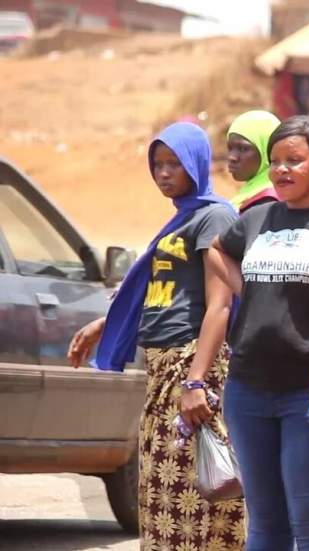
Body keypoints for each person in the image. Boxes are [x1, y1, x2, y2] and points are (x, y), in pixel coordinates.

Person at [67, 122, 243, 549]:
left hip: (190, 362)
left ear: (197, 165)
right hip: (164, 364)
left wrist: (197, 379)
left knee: (192, 485)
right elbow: (156, 289)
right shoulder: (181, 218)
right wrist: (103, 325)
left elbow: (220, 304)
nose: (164, 174)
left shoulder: (213, 216)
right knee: (161, 488)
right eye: (157, 165)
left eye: (174, 164)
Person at [208, 115, 309, 550]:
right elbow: (217, 251)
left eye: (294, 160)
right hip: (247, 389)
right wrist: (252, 289)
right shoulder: (258, 217)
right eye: (275, 161)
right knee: (264, 523)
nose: (282, 170)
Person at [227, 110, 281, 213]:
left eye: (243, 149)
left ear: (267, 150)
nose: (232, 157)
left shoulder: (268, 201)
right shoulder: (248, 194)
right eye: (230, 148)